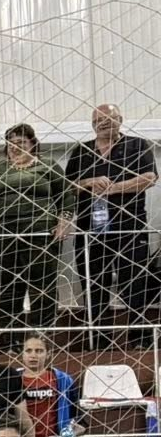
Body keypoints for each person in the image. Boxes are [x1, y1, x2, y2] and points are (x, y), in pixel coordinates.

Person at [64, 103, 158, 346]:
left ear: (120, 119)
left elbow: (150, 178)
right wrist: (89, 182)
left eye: (109, 118)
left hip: (130, 226)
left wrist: (114, 188)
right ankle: (98, 339)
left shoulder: (137, 145)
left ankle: (140, 339)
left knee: (134, 282)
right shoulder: (81, 151)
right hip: (90, 229)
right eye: (98, 120)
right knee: (93, 282)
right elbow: (67, 186)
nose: (104, 123)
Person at [0, 124, 76, 329]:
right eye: (11, 142)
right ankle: (11, 342)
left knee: (43, 289)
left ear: (32, 144)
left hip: (41, 237)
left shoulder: (47, 165)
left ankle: (43, 339)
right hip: (0, 239)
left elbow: (66, 195)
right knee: (7, 290)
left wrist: (64, 222)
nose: (15, 146)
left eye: (21, 142)